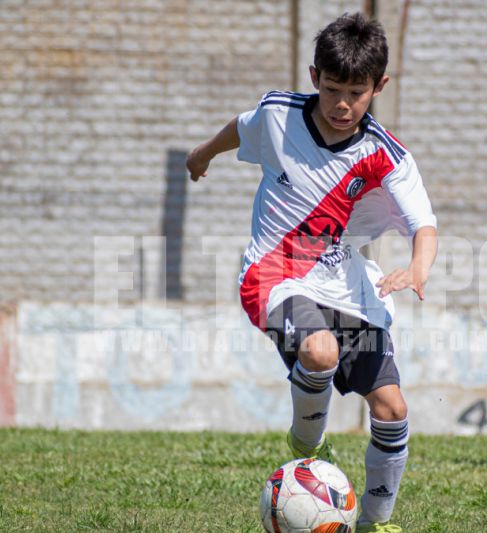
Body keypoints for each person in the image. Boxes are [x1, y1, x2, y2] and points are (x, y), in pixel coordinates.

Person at [186, 13, 437, 531]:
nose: (343, 104)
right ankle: (307, 442)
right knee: (319, 350)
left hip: (349, 282)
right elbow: (240, 127)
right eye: (332, 89)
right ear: (314, 77)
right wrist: (202, 153)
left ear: (379, 86)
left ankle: (375, 522)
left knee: (392, 409)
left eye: (357, 92)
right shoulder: (280, 115)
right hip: (273, 276)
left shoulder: (386, 156)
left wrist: (417, 267)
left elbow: (423, 225)